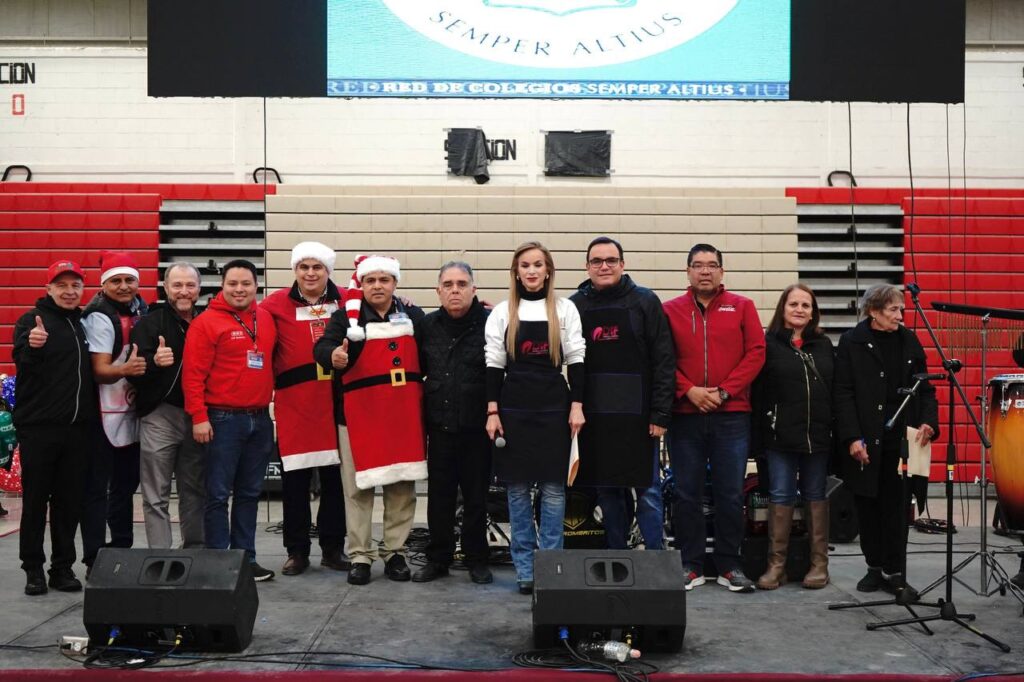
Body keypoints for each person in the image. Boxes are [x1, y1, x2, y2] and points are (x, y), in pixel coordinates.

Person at [313, 254, 427, 586]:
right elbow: (321, 348)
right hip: (355, 418)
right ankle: (360, 555)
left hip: (402, 417)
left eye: (384, 280)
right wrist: (332, 356)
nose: (377, 286)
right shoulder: (342, 318)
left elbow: (437, 338)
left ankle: (395, 552)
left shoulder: (413, 315)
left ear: (395, 283)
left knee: (401, 488)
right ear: (361, 284)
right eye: (370, 280)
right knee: (357, 490)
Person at [485, 241, 586, 594]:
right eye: (525, 265)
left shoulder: (565, 310)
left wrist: (577, 405)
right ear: (516, 271)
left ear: (548, 271)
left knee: (554, 490)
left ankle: (552, 565)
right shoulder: (501, 312)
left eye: (538, 265)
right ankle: (525, 569)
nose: (531, 271)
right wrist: (492, 410)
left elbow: (576, 361)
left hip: (554, 406)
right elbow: (493, 365)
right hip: (513, 407)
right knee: (517, 492)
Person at [663, 243, 765, 593]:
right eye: (697, 265)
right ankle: (690, 565)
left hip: (732, 416)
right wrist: (689, 390)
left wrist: (723, 392)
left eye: (711, 265)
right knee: (686, 492)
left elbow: (756, 354)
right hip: (685, 416)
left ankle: (729, 565)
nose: (704, 271)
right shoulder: (670, 310)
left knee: (730, 494)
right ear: (687, 271)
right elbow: (662, 359)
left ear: (722, 271)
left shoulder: (742, 307)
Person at [569, 236, 674, 550]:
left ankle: (656, 563)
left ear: (622, 265)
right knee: (608, 493)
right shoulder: (576, 305)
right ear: (587, 267)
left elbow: (664, 360)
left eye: (611, 260)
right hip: (596, 420)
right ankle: (618, 559)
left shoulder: (645, 301)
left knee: (649, 494)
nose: (604, 267)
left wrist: (660, 414)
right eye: (597, 261)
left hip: (640, 420)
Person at [834, 283, 938, 594]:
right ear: (874, 312)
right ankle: (874, 568)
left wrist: (928, 422)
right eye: (893, 309)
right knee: (868, 506)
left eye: (901, 309)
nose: (900, 315)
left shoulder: (909, 340)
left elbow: (926, 388)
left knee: (896, 508)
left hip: (902, 441)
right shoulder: (853, 341)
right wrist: (852, 437)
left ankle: (895, 572)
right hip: (867, 439)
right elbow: (843, 393)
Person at [182, 259, 277, 581]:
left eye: (246, 284)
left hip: (260, 419)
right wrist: (199, 417)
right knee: (218, 494)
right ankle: (219, 561)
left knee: (250, 493)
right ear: (222, 285)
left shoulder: (265, 318)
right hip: (221, 420)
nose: (240, 289)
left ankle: (246, 558)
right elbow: (193, 376)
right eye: (233, 284)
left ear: (256, 286)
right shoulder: (206, 323)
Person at [262, 242, 349, 576]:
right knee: (295, 483)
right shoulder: (272, 305)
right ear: (294, 270)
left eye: (317, 267)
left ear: (328, 270)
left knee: (334, 481)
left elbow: (384, 301)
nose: (310, 273)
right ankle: (296, 550)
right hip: (295, 404)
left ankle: (333, 548)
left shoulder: (346, 300)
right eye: (304, 267)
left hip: (335, 402)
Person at [12, 261, 98, 595]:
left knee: (68, 503)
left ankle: (62, 568)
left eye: (75, 285)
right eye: (61, 285)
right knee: (35, 501)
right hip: (40, 428)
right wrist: (32, 345)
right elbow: (22, 361)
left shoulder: (83, 323)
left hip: (78, 430)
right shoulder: (31, 321)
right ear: (49, 289)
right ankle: (32, 568)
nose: (69, 291)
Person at [413, 262, 493, 585]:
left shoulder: (491, 323)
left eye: (462, 283)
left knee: (477, 497)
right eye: (448, 284)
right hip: (440, 426)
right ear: (438, 291)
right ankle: (438, 559)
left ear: (474, 289)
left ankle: (477, 559)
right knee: (439, 497)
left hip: (477, 427)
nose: (455, 289)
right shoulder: (427, 325)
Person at [750, 284, 834, 590]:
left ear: (813, 312)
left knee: (816, 496)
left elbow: (835, 390)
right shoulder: (767, 344)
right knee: (781, 496)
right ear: (782, 309)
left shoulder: (823, 345)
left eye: (806, 305)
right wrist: (757, 439)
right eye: (793, 304)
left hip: (818, 439)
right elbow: (757, 395)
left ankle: (819, 565)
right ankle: (776, 566)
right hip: (780, 438)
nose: (799, 310)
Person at [129, 262, 205, 549]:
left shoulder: (208, 321)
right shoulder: (149, 324)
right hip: (160, 415)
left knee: (195, 489)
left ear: (199, 289)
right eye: (177, 285)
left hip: (198, 416)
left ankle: (195, 550)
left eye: (190, 285)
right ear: (165, 288)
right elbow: (134, 371)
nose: (183, 291)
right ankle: (160, 555)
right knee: (155, 492)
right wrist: (153, 364)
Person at [80, 250, 148, 572]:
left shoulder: (140, 307)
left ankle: (121, 546)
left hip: (130, 408)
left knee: (125, 484)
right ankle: (94, 556)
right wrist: (129, 369)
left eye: (129, 279)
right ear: (104, 284)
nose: (123, 286)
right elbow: (100, 371)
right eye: (116, 280)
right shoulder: (99, 315)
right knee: (98, 489)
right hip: (100, 413)